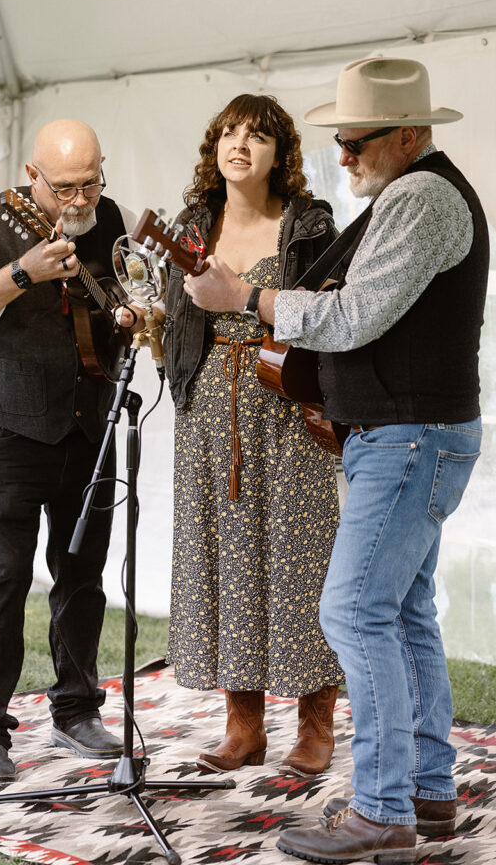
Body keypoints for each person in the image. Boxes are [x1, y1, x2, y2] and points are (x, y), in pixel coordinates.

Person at [182, 59, 489, 863]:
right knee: (402, 613)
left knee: (352, 612)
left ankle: (382, 811)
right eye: (340, 141)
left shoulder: (422, 199)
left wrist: (244, 298)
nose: (343, 155)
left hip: (408, 437)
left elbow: (353, 316)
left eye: (357, 141)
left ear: (410, 135)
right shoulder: (405, 193)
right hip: (405, 434)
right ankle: (426, 790)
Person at [0, 119, 136, 784]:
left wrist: (131, 315)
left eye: (90, 184)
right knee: (4, 573)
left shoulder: (112, 219)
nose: (79, 201)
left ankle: (76, 710)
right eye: (65, 188)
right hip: (9, 429)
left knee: (83, 574)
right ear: (32, 176)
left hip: (90, 425)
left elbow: (128, 296)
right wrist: (21, 272)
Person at [164, 94, 343, 776]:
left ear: (280, 154)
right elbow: (177, 321)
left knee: (301, 557)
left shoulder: (307, 225)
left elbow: (333, 314)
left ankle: (315, 725)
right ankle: (243, 728)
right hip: (208, 414)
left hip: (287, 407)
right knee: (228, 558)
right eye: (229, 133)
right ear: (214, 146)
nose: (239, 145)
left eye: (258, 136)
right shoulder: (191, 226)